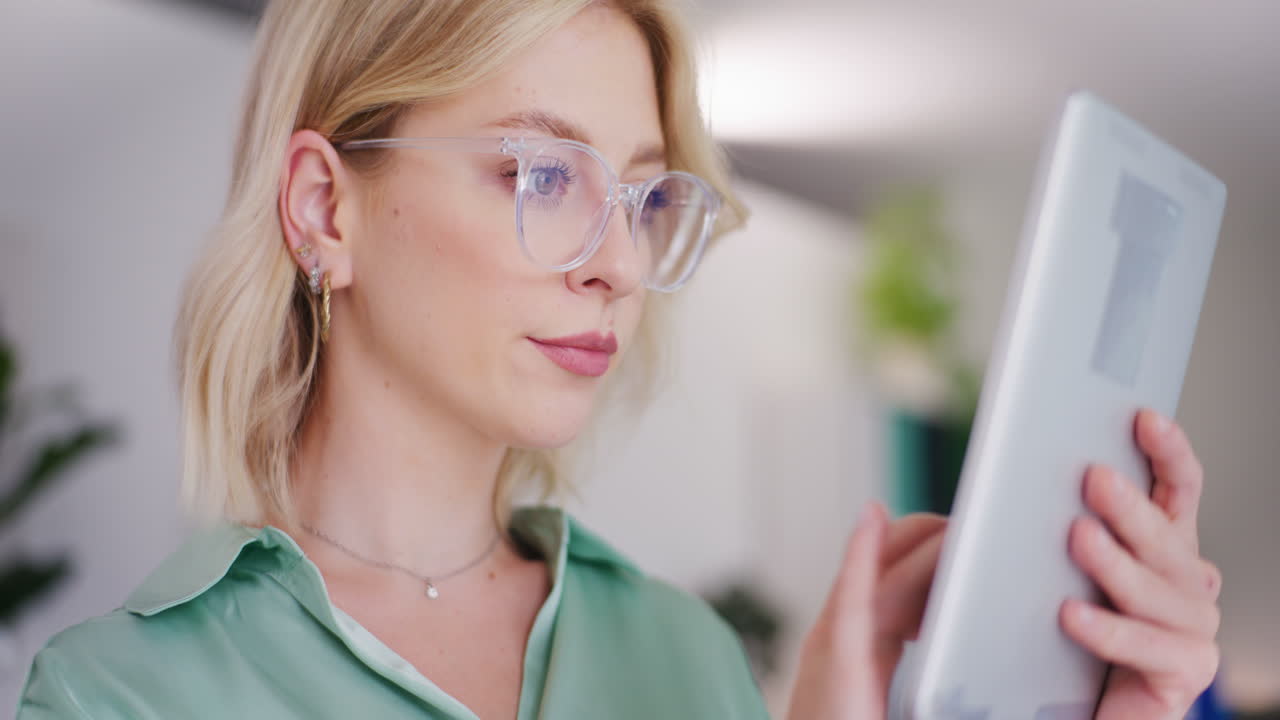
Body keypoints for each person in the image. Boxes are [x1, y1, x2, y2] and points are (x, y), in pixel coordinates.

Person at [16, 0, 1222, 718]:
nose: (619, 266)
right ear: (326, 209)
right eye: (542, 175)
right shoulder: (120, 694)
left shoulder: (685, 654)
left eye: (642, 198)